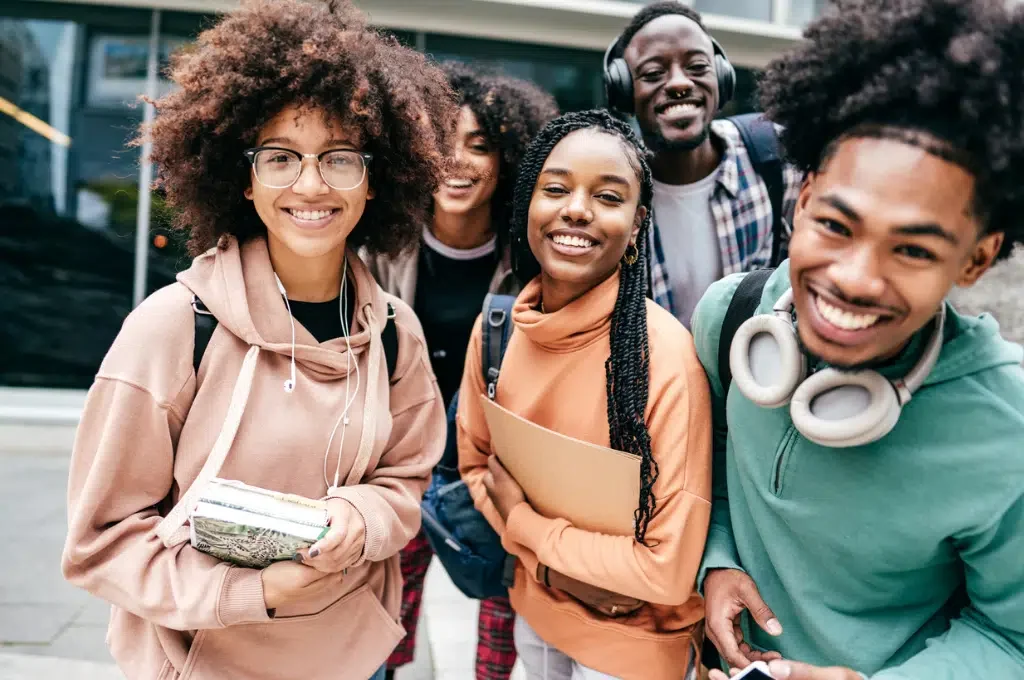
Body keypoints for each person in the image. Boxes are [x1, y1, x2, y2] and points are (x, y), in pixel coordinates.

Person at [59, 2, 455, 679]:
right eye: (280, 157)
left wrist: (357, 517)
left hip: (346, 657)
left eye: (339, 157)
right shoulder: (176, 327)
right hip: (199, 662)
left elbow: (405, 482)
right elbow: (100, 543)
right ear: (243, 178)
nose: (310, 183)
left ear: (374, 179)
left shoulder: (394, 333)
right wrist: (255, 592)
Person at [692, 1, 1024, 678]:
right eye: (838, 227)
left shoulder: (1008, 428)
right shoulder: (730, 315)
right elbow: (709, 461)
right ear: (804, 197)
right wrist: (716, 561)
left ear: (976, 260)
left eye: (912, 250)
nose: (855, 280)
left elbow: (1013, 638)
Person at [458, 109, 712, 680]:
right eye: (556, 188)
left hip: (635, 654)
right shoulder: (497, 330)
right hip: (536, 619)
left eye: (608, 196)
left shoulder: (665, 361)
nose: (576, 208)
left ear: (637, 221)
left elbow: (668, 572)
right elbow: (477, 467)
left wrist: (528, 532)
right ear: (528, 202)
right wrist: (555, 574)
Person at [364, 61, 557, 680]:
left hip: (492, 464)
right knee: (387, 614)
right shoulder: (379, 247)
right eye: (443, 139)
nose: (459, 159)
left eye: (480, 145)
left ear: (507, 161)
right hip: (402, 458)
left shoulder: (529, 254)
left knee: (500, 614)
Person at [606, 1, 803, 329]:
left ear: (721, 76)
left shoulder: (777, 159)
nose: (679, 83)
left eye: (697, 66)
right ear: (624, 91)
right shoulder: (614, 189)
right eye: (654, 73)